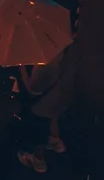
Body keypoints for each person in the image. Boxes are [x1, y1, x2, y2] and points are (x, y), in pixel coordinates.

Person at [18, 41, 77, 173]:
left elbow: (32, 89)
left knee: (38, 127)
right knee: (48, 116)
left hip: (46, 103)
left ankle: (40, 157)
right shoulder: (62, 48)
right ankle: (53, 141)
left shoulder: (44, 63)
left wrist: (22, 70)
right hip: (59, 95)